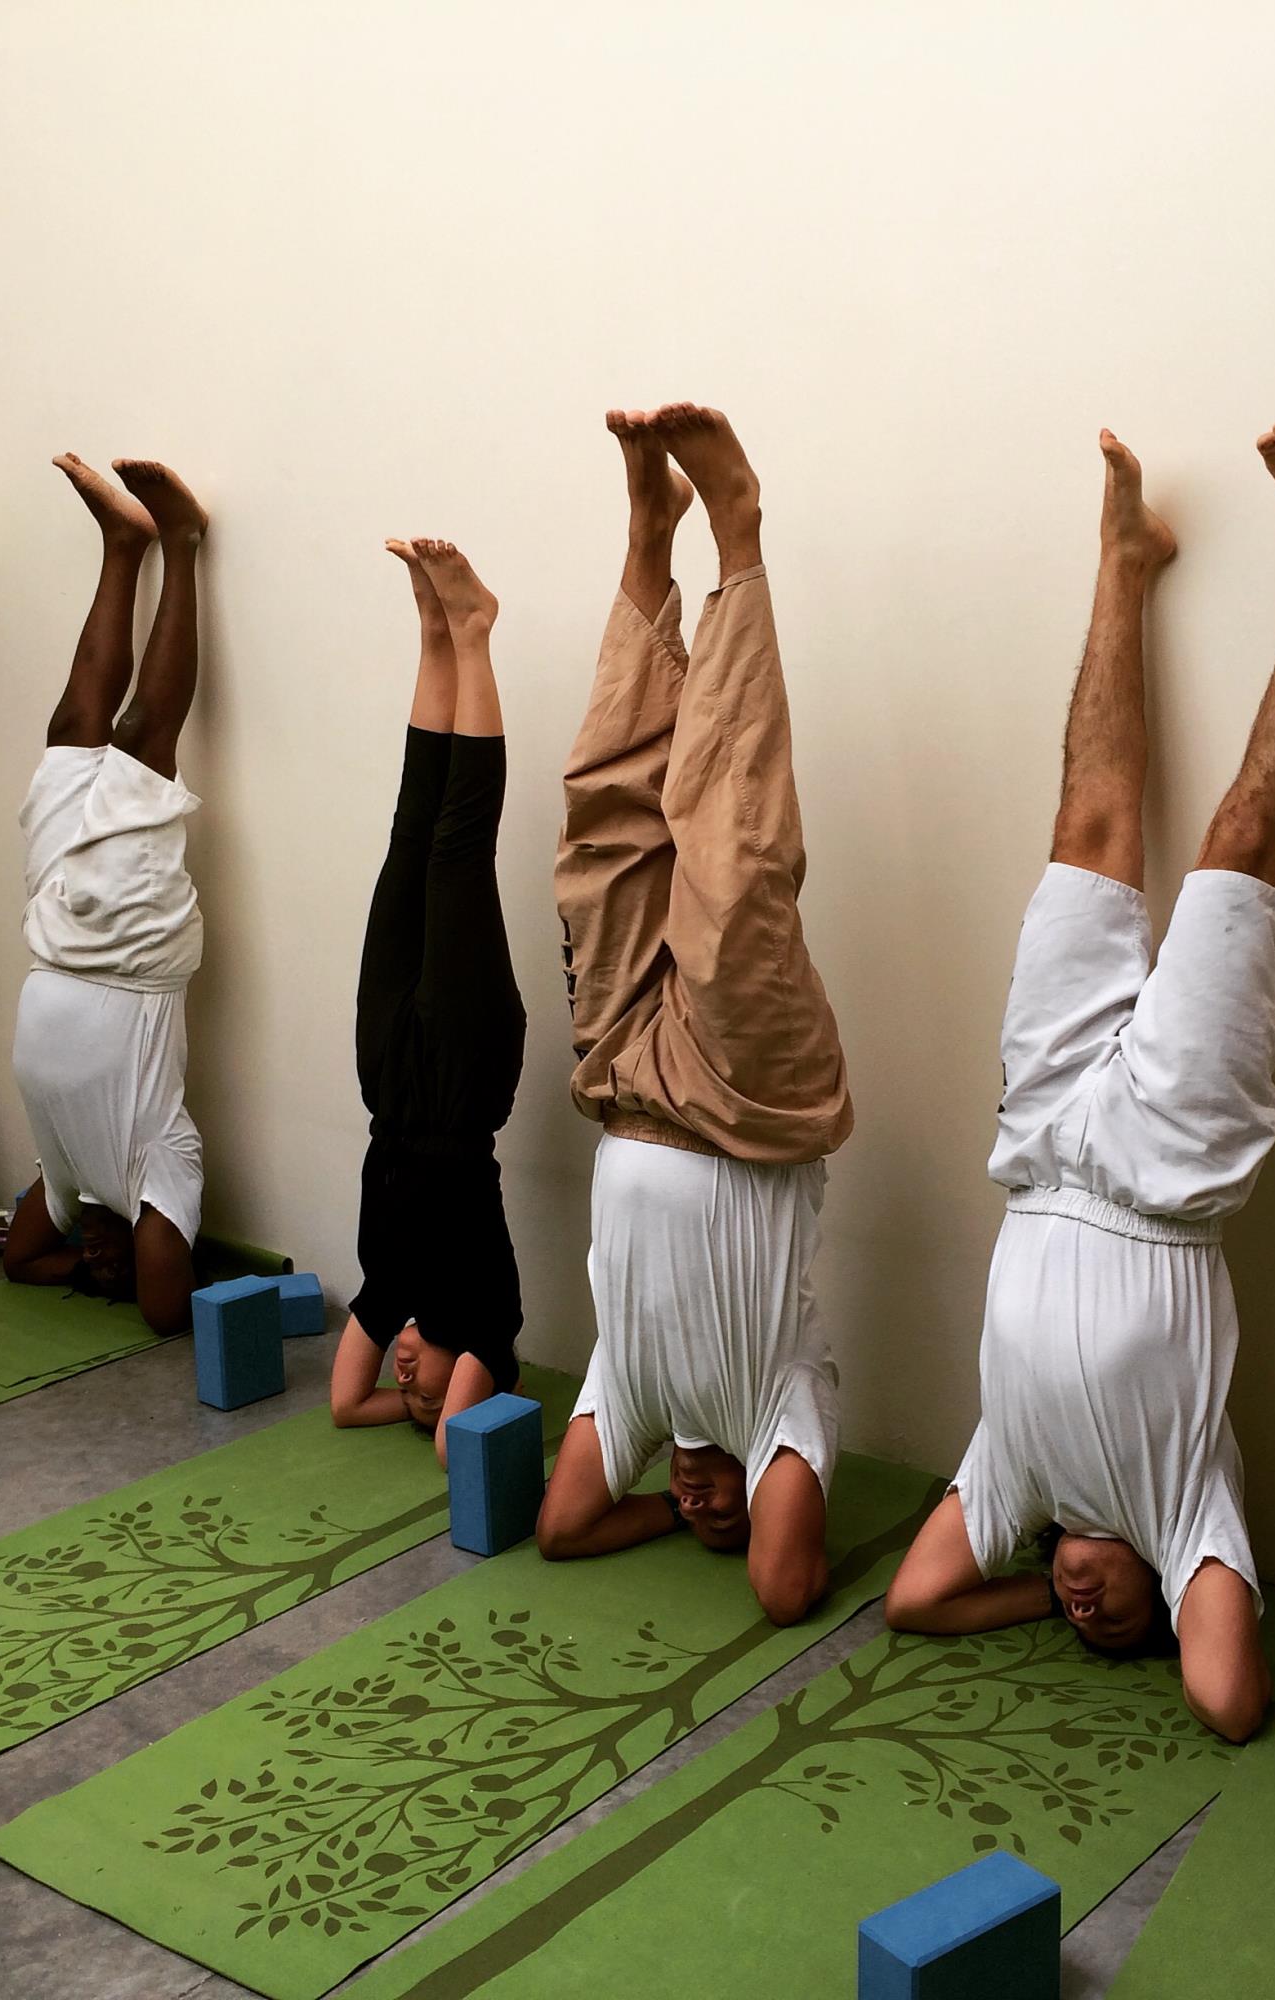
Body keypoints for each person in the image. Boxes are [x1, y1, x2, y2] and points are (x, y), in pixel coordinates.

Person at [884, 421, 1275, 1743]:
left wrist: (1036, 1592)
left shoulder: (1008, 1483)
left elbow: (917, 1601)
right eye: (1117, 1621)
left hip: (1040, 1153)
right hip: (1165, 1173)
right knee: (1240, 844)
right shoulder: (1186, 1514)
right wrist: (1155, 1619)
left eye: (1082, 1618)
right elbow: (1224, 1698)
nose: (1092, 1613)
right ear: (1165, 1593)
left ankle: (1124, 561)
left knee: (1089, 833)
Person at [534, 404, 851, 1629]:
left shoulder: (631, 1398)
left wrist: (661, 1504)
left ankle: (644, 542)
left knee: (602, 833)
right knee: (729, 849)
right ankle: (739, 541)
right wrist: (729, 1511)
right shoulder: (785, 1411)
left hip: (621, 1080)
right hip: (748, 1103)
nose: (707, 1504)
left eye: (696, 1508)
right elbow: (781, 1590)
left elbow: (564, 1528)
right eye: (722, 1506)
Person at [328, 538, 528, 1462]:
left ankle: (433, 636)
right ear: (473, 1387)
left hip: (389, 1083)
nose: (402, 1379)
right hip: (459, 1074)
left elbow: (340, 1405)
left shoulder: (385, 1293)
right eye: (429, 1394)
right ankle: (477, 634)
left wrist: (396, 1403)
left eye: (401, 1393)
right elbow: (456, 1447)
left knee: (411, 833)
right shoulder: (486, 1321)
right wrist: (446, 1423)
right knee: (457, 850)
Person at [4, 454, 210, 1334]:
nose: (90, 1254)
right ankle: (184, 543)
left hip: (53, 928)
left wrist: (83, 1267)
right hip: (130, 953)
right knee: (138, 745)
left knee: (70, 735)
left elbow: (18, 1262)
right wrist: (128, 1270)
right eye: (109, 1255)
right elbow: (166, 1312)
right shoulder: (158, 1176)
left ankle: (123, 545)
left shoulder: (64, 1190)